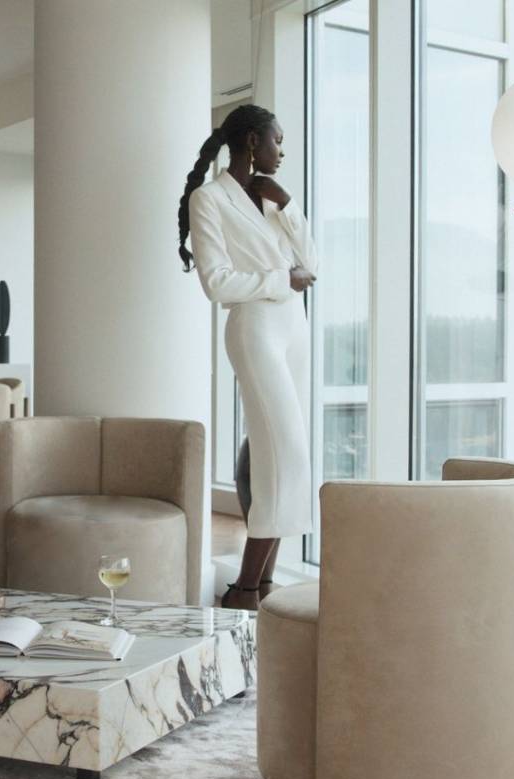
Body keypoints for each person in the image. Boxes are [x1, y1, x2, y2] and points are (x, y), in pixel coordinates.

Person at [177, 104, 318, 611]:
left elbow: (313, 264)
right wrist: (284, 279)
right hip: (255, 326)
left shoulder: (272, 198)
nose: (282, 151)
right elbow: (216, 283)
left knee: (277, 456)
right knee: (287, 455)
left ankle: (259, 585)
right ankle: (242, 589)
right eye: (278, 141)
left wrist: (289, 203)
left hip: (292, 329)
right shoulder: (209, 198)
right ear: (254, 141)